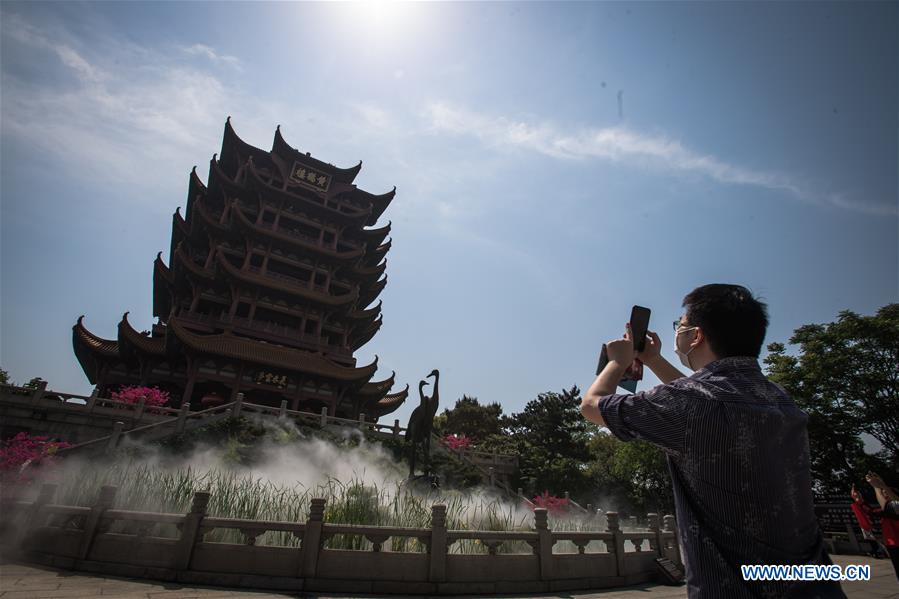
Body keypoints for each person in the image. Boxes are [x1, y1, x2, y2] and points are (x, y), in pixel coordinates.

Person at [581, 284, 845, 598]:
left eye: (680, 325)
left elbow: (592, 406)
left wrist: (616, 361)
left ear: (697, 336)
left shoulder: (691, 404)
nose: (677, 331)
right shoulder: (778, 398)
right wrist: (652, 360)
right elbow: (701, 397)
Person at [866, 472, 899, 580]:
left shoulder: (892, 507)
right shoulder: (886, 510)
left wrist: (880, 486)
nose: (884, 494)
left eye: (886, 493)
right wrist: (878, 486)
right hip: (893, 546)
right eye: (883, 493)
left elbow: (893, 502)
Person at [849, 486, 885, 557]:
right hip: (865, 525)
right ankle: (877, 551)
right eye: (856, 495)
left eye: (858, 495)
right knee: (871, 539)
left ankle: (877, 551)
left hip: (868, 524)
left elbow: (871, 512)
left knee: (873, 539)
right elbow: (853, 495)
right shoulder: (858, 505)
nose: (857, 497)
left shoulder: (862, 505)